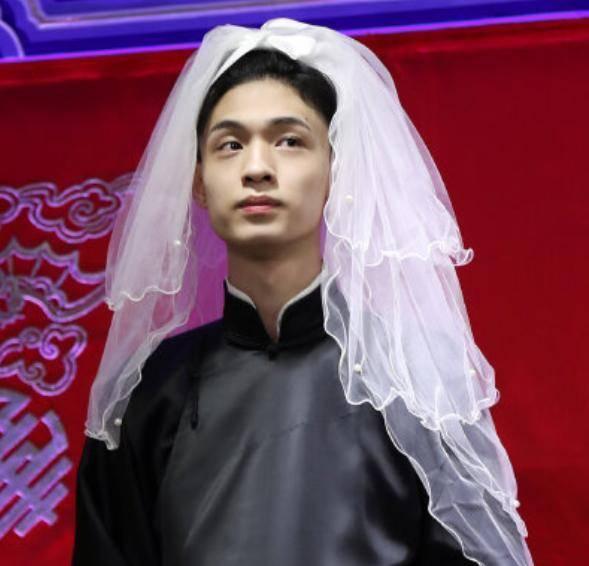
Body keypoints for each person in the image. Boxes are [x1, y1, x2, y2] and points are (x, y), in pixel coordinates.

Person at [72, 18, 532, 566]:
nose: (257, 168)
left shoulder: (414, 380)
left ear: (337, 171)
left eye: (289, 141)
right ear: (198, 182)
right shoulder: (149, 390)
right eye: (230, 145)